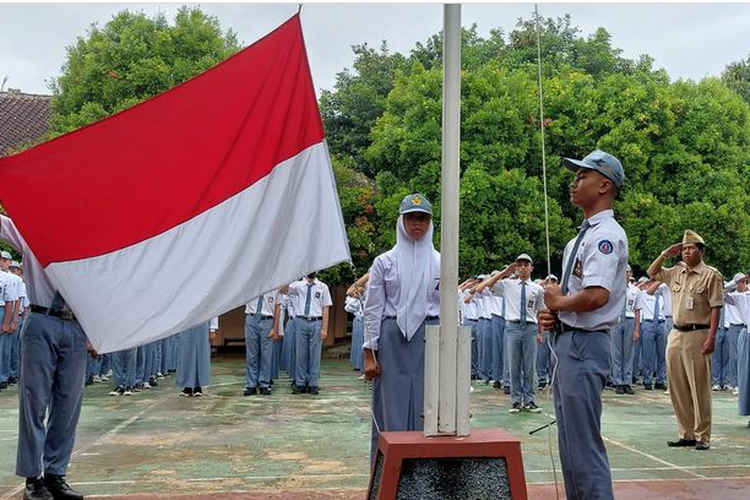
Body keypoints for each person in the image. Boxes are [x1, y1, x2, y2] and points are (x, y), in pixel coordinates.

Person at [539, 149, 627, 500]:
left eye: (582, 176)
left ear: (604, 185)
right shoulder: (580, 238)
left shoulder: (605, 236)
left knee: (583, 445)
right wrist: (555, 312)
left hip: (584, 344)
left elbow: (596, 296)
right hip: (570, 341)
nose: (574, 183)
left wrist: (559, 303)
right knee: (571, 446)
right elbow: (577, 298)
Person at [1, 215, 88, 500]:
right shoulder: (31, 231)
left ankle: (55, 474)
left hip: (76, 325)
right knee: (34, 402)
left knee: (68, 404)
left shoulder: (88, 242)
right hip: (41, 320)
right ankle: (32, 479)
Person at [363, 193, 440, 464]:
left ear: (430, 223)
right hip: (393, 337)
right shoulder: (384, 262)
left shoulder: (441, 262)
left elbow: (450, 307)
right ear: (401, 221)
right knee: (389, 408)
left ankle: (422, 472)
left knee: (427, 407)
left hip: (429, 337)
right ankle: (387, 471)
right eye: (411, 218)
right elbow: (372, 307)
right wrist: (369, 353)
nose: (416, 224)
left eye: (422, 218)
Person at [647, 230, 723, 451]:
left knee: (698, 387)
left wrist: (711, 337)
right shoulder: (675, 272)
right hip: (676, 334)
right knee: (677, 387)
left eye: (691, 248)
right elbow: (652, 272)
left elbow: (716, 307)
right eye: (684, 248)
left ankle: (702, 435)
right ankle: (686, 433)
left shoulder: (711, 275)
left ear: (701, 251)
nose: (686, 252)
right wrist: (664, 254)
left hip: (699, 333)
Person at [479, 254, 545, 413]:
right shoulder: (508, 284)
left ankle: (529, 399)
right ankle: (516, 400)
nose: (523, 267)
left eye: (526, 264)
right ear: (516, 267)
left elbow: (540, 312)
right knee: (513, 365)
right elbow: (486, 286)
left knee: (529, 366)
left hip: (530, 327)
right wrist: (504, 272)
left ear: (531, 268)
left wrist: (540, 332)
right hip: (513, 327)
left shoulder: (537, 289)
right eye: (520, 264)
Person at [282, 273, 332, 395]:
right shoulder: (298, 285)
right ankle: (300, 382)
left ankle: (313, 383)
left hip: (316, 321)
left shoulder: (322, 287)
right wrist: (290, 272)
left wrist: (324, 328)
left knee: (315, 354)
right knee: (300, 353)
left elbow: (326, 307)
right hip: (301, 320)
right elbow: (283, 290)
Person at [724, 274, 750, 427]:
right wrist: (735, 282)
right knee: (746, 375)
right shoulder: (742, 297)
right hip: (747, 334)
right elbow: (720, 294)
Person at [610, 266, 640, 395]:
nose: (625, 275)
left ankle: (627, 381)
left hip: (629, 319)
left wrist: (637, 329)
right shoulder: (614, 289)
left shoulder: (635, 290)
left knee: (628, 353)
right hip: (616, 320)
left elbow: (637, 309)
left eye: (627, 273)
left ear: (631, 274)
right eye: (623, 273)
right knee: (616, 352)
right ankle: (618, 382)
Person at [243, 292, 277, 395]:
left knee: (266, 354)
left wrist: (275, 328)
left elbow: (277, 307)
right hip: (252, 318)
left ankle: (264, 383)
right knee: (251, 354)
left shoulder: (274, 286)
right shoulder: (251, 285)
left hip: (267, 320)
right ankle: (251, 384)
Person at [176, 318, 218, 397]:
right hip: (186, 322)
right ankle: (187, 386)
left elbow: (213, 308)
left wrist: (213, 329)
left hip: (202, 322)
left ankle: (198, 386)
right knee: (186, 353)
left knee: (201, 353)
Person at [640, 279, 667, 391]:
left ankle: (660, 380)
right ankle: (647, 379)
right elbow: (644, 288)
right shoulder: (644, 294)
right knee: (648, 354)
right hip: (649, 323)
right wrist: (656, 279)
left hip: (661, 323)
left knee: (662, 354)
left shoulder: (661, 297)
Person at [536, 274, 558, 390]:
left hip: (555, 330)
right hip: (543, 329)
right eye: (548, 281)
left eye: (553, 282)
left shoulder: (560, 296)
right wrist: (539, 332)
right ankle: (542, 379)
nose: (551, 284)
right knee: (542, 356)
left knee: (554, 357)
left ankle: (552, 378)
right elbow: (538, 314)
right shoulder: (541, 296)